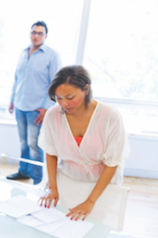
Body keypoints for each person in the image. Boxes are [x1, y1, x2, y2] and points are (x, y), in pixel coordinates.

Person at [38, 66, 130, 221]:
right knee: (61, 224)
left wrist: (90, 201)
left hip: (102, 184)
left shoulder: (110, 117)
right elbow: (51, 152)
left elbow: (112, 163)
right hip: (67, 179)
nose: (64, 104)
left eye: (70, 97)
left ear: (86, 89)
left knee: (94, 227)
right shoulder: (53, 115)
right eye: (58, 98)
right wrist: (52, 188)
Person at [7, 21, 61, 185]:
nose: (36, 36)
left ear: (45, 36)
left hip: (36, 109)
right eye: (33, 32)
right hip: (19, 105)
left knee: (34, 144)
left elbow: (56, 83)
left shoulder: (52, 55)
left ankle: (38, 179)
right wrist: (12, 101)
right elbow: (17, 79)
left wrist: (46, 107)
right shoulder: (23, 53)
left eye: (40, 33)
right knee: (23, 143)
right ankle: (24, 172)